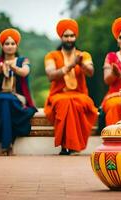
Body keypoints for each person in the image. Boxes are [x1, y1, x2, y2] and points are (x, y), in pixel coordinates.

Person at [44, 18, 98, 155]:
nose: (69, 39)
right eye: (66, 36)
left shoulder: (83, 55)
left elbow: (91, 72)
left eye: (71, 36)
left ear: (75, 37)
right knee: (65, 103)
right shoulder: (51, 56)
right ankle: (65, 145)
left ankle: (72, 145)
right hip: (58, 94)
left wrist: (81, 64)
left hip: (80, 95)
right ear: (61, 37)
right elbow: (51, 75)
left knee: (78, 103)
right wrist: (70, 65)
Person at [0, 28, 37, 156]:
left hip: (19, 98)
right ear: (2, 46)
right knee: (5, 101)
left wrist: (13, 66)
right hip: (0, 98)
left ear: (16, 45)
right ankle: (8, 144)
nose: (10, 46)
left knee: (6, 101)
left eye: (12, 43)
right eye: (6, 44)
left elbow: (25, 72)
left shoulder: (23, 60)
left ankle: (5, 145)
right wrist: (0, 68)